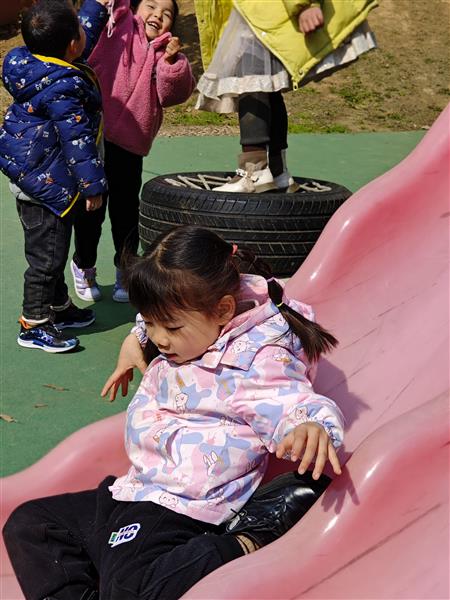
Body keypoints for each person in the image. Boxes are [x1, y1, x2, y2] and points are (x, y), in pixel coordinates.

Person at [3, 225, 345, 599]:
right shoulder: (193, 320)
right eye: (151, 323)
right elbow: (159, 316)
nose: (160, 338)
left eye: (170, 327)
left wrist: (309, 424)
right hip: (134, 490)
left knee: (128, 588)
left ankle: (245, 538)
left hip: (185, 508)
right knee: (30, 524)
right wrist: (136, 339)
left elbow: (287, 399)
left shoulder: (255, 361)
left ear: (223, 310)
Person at [0, 0, 109, 352]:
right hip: (46, 188)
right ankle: (34, 323)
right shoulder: (63, 87)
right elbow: (76, 141)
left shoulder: (35, 63)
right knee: (46, 260)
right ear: (71, 46)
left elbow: (80, 36)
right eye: (78, 27)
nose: (83, 31)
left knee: (54, 251)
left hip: (41, 175)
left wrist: (97, 6)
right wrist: (92, 186)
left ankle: (58, 307)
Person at [70, 0, 196, 303]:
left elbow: (173, 94)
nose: (157, 15)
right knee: (90, 211)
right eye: (151, 6)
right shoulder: (119, 28)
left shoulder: (165, 52)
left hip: (130, 143)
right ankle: (83, 264)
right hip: (95, 138)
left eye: (167, 14)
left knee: (126, 214)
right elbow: (111, 9)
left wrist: (172, 62)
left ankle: (125, 269)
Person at [194, 0, 378, 193]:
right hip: (255, 12)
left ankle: (254, 170)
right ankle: (278, 170)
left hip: (264, 11)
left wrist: (305, 4)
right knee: (265, 84)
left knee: (251, 79)